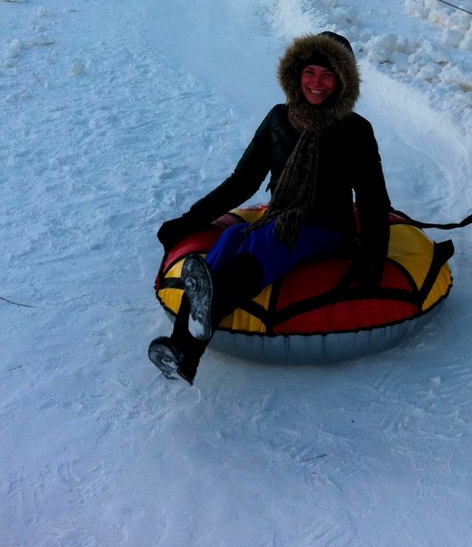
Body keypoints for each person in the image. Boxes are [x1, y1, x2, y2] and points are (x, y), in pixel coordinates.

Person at [148, 30, 391, 385]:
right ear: (296, 74)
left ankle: (204, 309)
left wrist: (372, 259)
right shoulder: (279, 118)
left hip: (329, 229)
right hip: (282, 216)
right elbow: (243, 181)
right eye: (310, 72)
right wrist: (190, 221)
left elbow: (372, 197)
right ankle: (184, 354)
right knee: (230, 240)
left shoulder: (355, 130)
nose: (317, 83)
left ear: (343, 81)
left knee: (272, 238)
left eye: (328, 74)